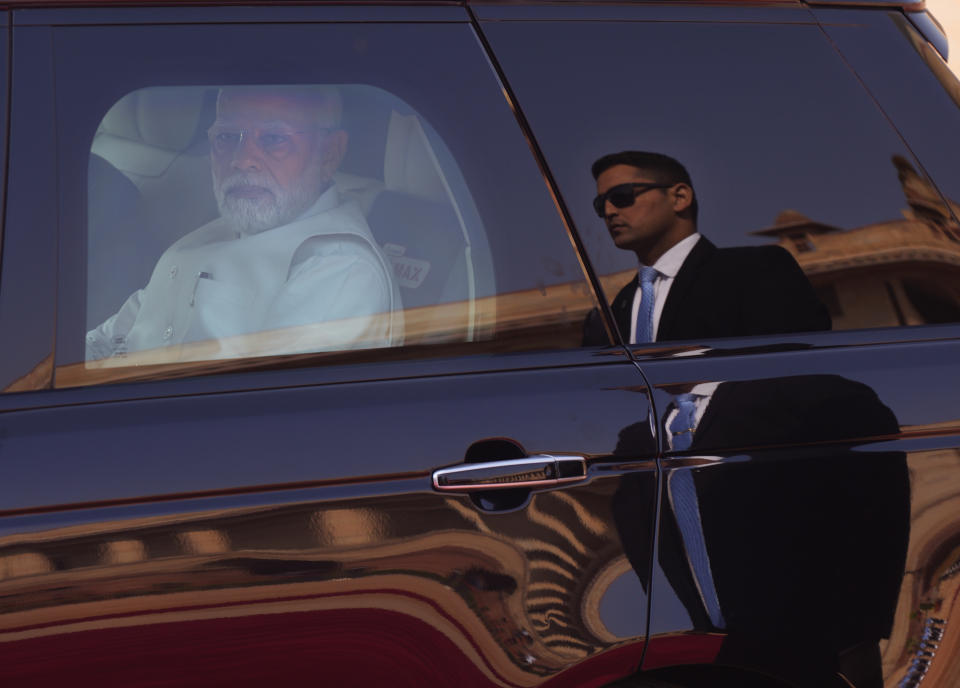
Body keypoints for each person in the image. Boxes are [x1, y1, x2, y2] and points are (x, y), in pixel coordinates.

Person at [86, 85, 401, 362]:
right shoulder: (211, 234)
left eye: (274, 138)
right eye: (226, 137)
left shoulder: (340, 271)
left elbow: (259, 420)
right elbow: (107, 339)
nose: (241, 158)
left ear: (330, 154)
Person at [582, 151, 830, 345]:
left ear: (679, 197)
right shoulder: (613, 311)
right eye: (600, 204)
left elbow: (797, 377)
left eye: (621, 196)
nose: (609, 212)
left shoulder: (755, 271)